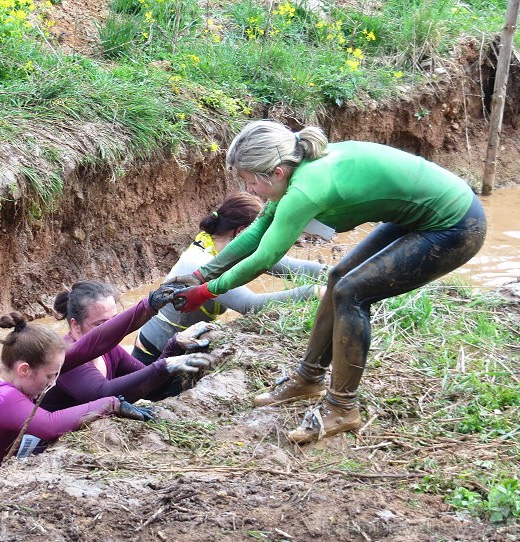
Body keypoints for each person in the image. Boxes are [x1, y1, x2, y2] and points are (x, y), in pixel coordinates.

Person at [163, 120, 487, 444]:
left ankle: (343, 407)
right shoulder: (295, 170)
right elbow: (257, 233)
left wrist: (206, 292)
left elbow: (264, 257)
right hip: (420, 216)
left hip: (455, 224)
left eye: (250, 183)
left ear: (275, 172)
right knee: (338, 278)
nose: (248, 191)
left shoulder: (304, 189)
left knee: (352, 292)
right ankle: (308, 378)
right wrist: (200, 274)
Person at [0, 307, 164, 496]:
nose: (54, 382)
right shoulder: (1, 398)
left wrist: (147, 306)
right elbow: (49, 424)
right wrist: (112, 404)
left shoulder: (3, 373)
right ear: (25, 369)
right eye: (50, 375)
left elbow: (87, 348)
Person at [132, 192, 326, 365]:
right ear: (242, 232)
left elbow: (293, 268)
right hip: (152, 355)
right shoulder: (198, 262)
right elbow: (250, 306)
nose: (267, 241)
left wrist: (343, 272)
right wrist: (315, 292)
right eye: (262, 234)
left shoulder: (223, 246)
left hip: (181, 346)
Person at [39, 281, 215, 413]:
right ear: (75, 325)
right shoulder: (65, 356)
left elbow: (152, 388)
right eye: (101, 324)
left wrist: (174, 345)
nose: (113, 329)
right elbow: (102, 394)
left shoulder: (110, 350)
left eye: (115, 320)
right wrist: (163, 366)